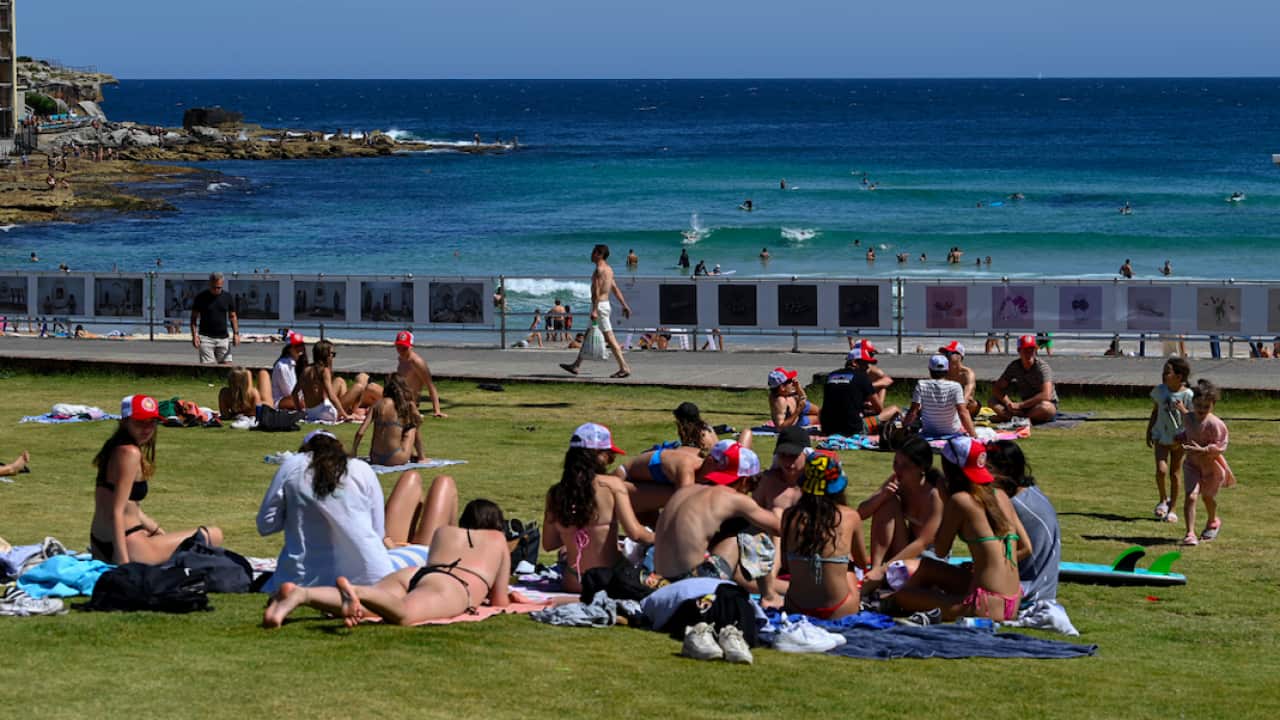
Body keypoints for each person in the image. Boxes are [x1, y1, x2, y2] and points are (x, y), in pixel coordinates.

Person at [263, 499, 526, 628]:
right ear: (497, 523)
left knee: (370, 608)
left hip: (418, 574)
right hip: (453, 585)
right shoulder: (498, 539)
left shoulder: (444, 532)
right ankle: (357, 592)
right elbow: (500, 600)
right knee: (404, 614)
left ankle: (303, 594)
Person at [257, 430, 457, 596]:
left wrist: (300, 509)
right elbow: (378, 533)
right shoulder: (361, 469)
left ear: (305, 451)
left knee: (412, 478)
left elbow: (266, 525)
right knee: (443, 484)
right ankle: (458, 550)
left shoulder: (292, 465)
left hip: (300, 578)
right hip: (371, 578)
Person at [887, 437, 1030, 622]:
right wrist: (990, 563)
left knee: (902, 596)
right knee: (927, 567)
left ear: (949, 469)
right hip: (1012, 601)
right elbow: (1027, 548)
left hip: (984, 605)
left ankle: (898, 601)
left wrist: (945, 500)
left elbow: (940, 550)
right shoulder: (1000, 494)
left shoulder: (960, 501)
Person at [89, 395, 225, 564]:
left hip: (100, 542)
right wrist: (122, 563)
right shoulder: (130, 453)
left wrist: (160, 533)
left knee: (166, 539)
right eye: (140, 422)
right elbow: (118, 510)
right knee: (214, 534)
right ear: (124, 421)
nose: (147, 428)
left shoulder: (113, 448)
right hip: (128, 545)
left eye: (152, 422)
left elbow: (130, 508)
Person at [543, 423, 657, 600]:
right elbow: (636, 533)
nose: (612, 461)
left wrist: (574, 535)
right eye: (609, 456)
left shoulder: (555, 493)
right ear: (597, 456)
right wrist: (661, 539)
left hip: (573, 581)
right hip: (607, 581)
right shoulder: (612, 486)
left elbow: (549, 544)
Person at [652, 442, 779, 586]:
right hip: (692, 586)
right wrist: (779, 510)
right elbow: (778, 528)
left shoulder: (686, 491)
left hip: (659, 582)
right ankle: (769, 596)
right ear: (744, 481)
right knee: (749, 529)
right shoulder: (734, 498)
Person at [781, 451, 869, 620]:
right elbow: (862, 563)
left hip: (796, 606)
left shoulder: (789, 516)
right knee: (849, 570)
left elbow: (785, 563)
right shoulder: (850, 517)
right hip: (840, 608)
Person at [857, 436, 945, 577]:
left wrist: (885, 568)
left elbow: (923, 543)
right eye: (895, 463)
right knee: (887, 502)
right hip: (906, 549)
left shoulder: (934, 494)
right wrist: (882, 496)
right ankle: (875, 568)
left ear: (921, 467)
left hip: (931, 555)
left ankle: (880, 572)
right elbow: (861, 513)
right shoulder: (898, 480)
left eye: (905, 466)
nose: (898, 469)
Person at [987, 441, 1061, 605]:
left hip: (1030, 588)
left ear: (1006, 471)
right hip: (1045, 583)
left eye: (989, 470)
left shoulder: (1012, 505)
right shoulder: (1031, 491)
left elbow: (1019, 551)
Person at [560, 244, 633, 379]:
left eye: (594, 252)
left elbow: (597, 291)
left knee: (610, 338)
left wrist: (594, 309)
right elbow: (615, 288)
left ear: (599, 254)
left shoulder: (599, 270)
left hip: (598, 307)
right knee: (588, 335)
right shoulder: (609, 269)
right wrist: (624, 305)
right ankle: (576, 365)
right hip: (604, 305)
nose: (591, 254)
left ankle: (624, 367)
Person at [1178, 380, 1235, 546]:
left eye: (1206, 407)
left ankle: (1213, 521)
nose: (1201, 410)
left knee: (1208, 497)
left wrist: (1204, 450)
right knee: (1191, 495)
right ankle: (1190, 533)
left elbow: (1221, 445)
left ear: (1213, 405)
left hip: (1211, 467)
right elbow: (1188, 430)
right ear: (1193, 403)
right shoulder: (1189, 418)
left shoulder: (1216, 424)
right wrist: (1180, 438)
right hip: (1192, 464)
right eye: (1198, 406)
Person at [1147, 357, 1193, 523]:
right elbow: (1155, 411)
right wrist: (1149, 430)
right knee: (1161, 470)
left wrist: (1182, 409)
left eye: (1168, 372)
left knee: (1175, 474)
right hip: (1161, 436)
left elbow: (1192, 418)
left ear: (1179, 376)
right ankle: (1163, 499)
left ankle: (1173, 508)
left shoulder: (1187, 395)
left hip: (1179, 439)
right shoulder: (1160, 391)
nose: (1164, 375)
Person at [352, 374, 422, 467]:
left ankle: (412, 454)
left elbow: (360, 432)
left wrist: (354, 452)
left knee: (401, 429)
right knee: (412, 427)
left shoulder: (376, 405)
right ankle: (422, 457)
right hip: (395, 458)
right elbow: (419, 421)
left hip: (375, 458)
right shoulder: (404, 405)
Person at [298, 340, 377, 422]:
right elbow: (331, 395)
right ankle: (349, 412)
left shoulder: (306, 370)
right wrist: (345, 415)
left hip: (311, 412)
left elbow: (294, 393)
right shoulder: (324, 371)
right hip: (326, 414)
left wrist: (300, 411)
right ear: (326, 355)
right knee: (359, 387)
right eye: (332, 354)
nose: (333, 357)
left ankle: (347, 410)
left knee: (340, 380)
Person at [989, 335, 1058, 424]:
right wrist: (1008, 403)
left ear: (1035, 350)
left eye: (1031, 349)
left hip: (1042, 404)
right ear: (1019, 351)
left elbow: (1046, 395)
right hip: (1024, 406)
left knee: (1046, 408)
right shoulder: (1014, 366)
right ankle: (1019, 417)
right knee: (992, 401)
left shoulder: (1042, 367)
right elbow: (997, 388)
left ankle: (1015, 418)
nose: (1029, 352)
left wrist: (1021, 405)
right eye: (1025, 349)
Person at [904, 355, 976, 438]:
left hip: (929, 430)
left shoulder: (921, 385)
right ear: (947, 369)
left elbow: (913, 411)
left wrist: (904, 428)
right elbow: (963, 412)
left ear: (929, 369)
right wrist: (974, 436)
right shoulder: (955, 386)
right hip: (952, 430)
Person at [394, 331, 447, 418]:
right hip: (399, 399)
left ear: (411, 347)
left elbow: (430, 386)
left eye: (404, 348)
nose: (400, 350)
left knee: (371, 388)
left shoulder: (416, 362)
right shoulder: (401, 358)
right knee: (365, 381)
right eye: (398, 347)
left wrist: (437, 411)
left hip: (409, 403)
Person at [190, 272, 240, 364]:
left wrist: (236, 334)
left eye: (219, 287)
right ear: (210, 284)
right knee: (209, 368)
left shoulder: (227, 297)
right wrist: (194, 336)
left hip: (223, 338)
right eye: (214, 287)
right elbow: (193, 318)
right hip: (206, 338)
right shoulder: (201, 297)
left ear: (222, 285)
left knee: (227, 366)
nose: (217, 290)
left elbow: (232, 316)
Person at [258, 332, 306, 410]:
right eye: (297, 346)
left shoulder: (297, 363)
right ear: (289, 348)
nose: (300, 348)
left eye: (301, 345)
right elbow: (290, 392)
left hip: (293, 397)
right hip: (281, 401)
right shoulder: (283, 366)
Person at [939, 340, 979, 416]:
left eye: (948, 353)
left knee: (973, 404)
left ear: (959, 356)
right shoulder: (943, 371)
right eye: (944, 354)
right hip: (948, 403)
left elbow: (966, 396)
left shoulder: (967, 373)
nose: (945, 356)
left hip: (964, 404)